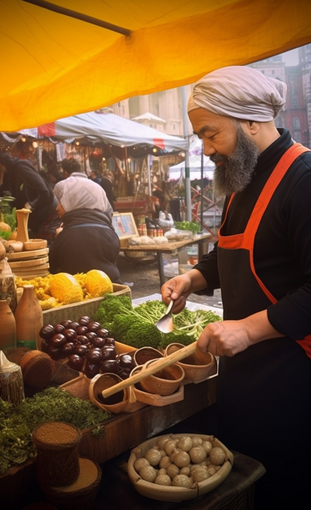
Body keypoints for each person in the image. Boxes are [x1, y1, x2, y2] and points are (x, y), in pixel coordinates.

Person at [161, 66, 311, 509]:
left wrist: (246, 329)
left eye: (211, 134)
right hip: (245, 373)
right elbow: (235, 252)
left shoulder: (302, 179)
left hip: (292, 375)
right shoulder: (242, 177)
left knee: (283, 486)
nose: (206, 150)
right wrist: (193, 277)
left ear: (250, 121)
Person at [49, 159, 121, 282]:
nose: (57, 207)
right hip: (113, 285)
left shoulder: (67, 236)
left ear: (71, 202)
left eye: (61, 202)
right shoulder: (109, 233)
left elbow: (53, 265)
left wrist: (59, 238)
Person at [0, 152, 61, 244]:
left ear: (2, 165)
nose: (1, 170)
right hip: (38, 215)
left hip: (48, 213)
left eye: (1, 167)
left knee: (44, 245)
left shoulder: (20, 168)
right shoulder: (10, 174)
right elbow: (3, 188)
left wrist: (31, 204)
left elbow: (44, 192)